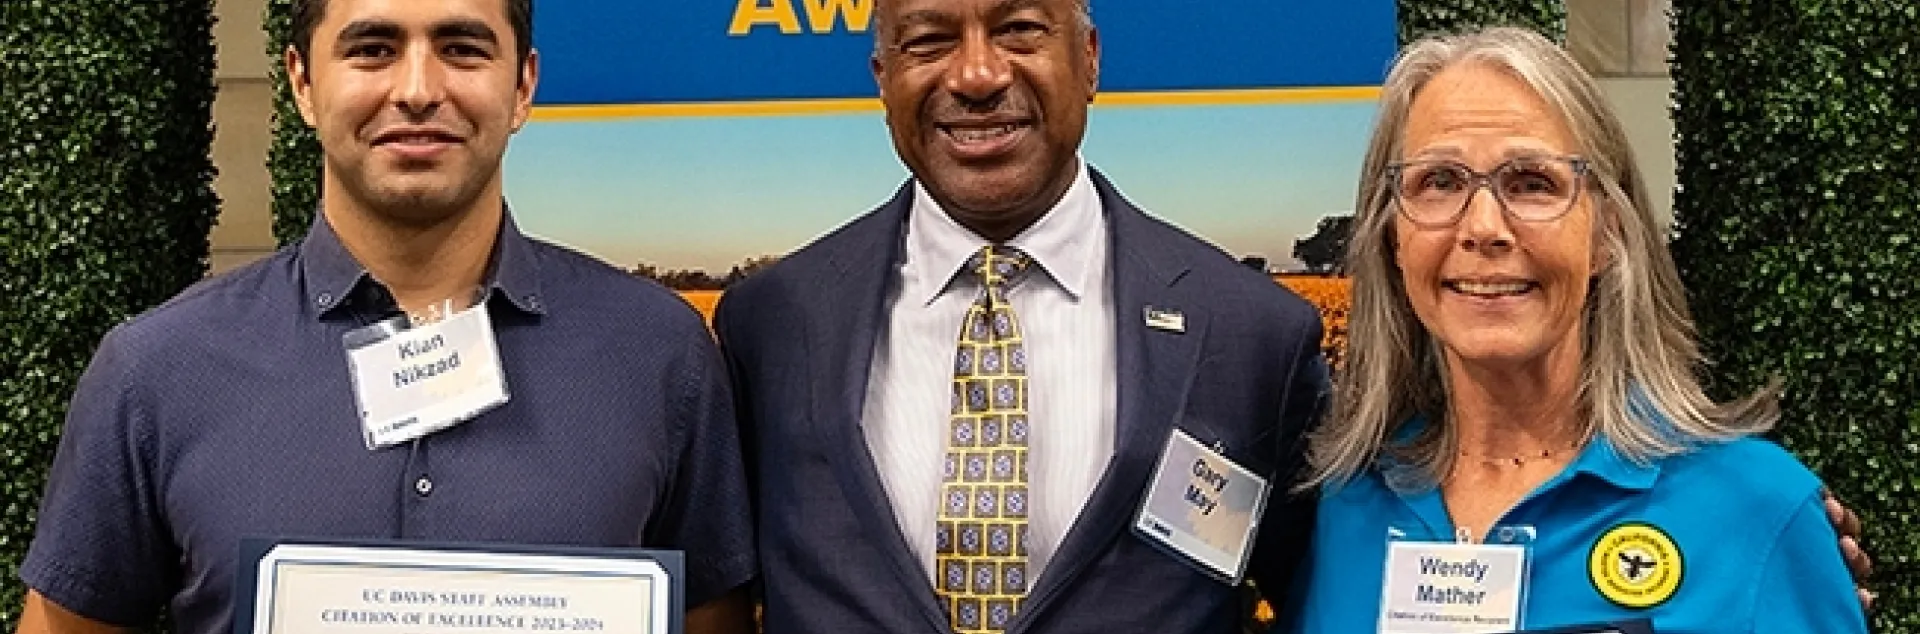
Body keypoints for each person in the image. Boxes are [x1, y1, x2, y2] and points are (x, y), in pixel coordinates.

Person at [14, 1, 754, 633]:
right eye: (372, 49)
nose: (419, 89)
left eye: (463, 48)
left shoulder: (659, 357)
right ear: (303, 83)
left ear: (523, 85)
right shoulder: (156, 372)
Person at [710, 0, 1329, 632]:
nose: (977, 75)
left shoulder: (1253, 335)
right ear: (882, 80)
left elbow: (1323, 603)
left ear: (1088, 60)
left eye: (1019, 30)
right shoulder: (769, 325)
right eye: (928, 42)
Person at [1279, 26, 1869, 633]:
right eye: (1440, 183)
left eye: (1532, 183)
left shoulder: (1757, 508)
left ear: (1608, 234)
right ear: (1391, 237)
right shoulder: (1344, 504)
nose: (1483, 227)